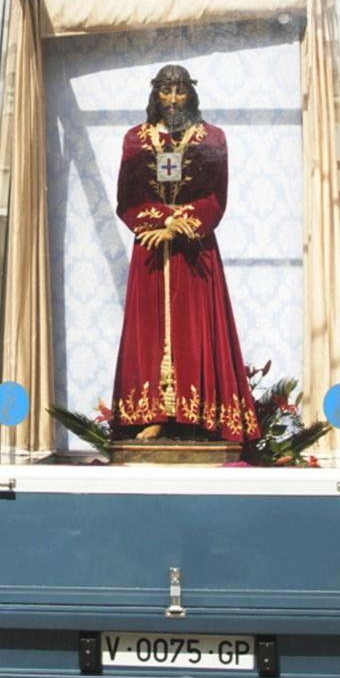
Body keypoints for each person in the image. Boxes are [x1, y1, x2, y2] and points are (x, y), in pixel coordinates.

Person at [110, 65, 258, 445]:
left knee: (195, 330)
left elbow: (215, 197)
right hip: (150, 250)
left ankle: (198, 416)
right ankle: (153, 415)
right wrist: (156, 225)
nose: (173, 99)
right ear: (154, 95)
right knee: (150, 332)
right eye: (165, 91)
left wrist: (179, 225)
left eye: (179, 91)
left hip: (195, 251)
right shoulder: (136, 140)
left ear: (191, 94)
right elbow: (128, 197)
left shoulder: (211, 138)